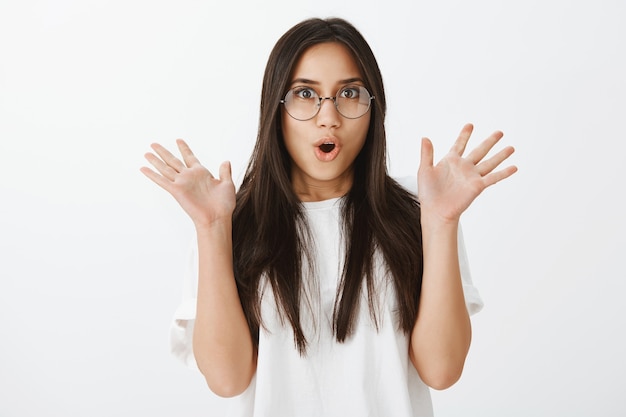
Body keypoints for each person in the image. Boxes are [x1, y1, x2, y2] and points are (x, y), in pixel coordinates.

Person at [140, 17, 517, 417]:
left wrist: (441, 224)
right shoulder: (227, 220)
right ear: (276, 109)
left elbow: (441, 370)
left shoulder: (421, 208)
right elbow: (227, 379)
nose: (329, 117)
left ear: (374, 109)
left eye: (349, 93)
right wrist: (212, 229)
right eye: (305, 93)